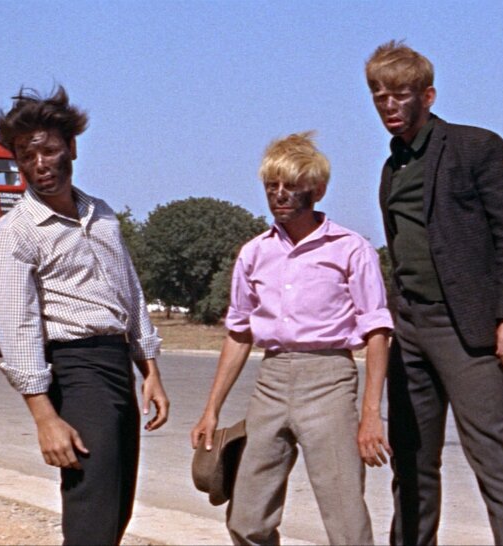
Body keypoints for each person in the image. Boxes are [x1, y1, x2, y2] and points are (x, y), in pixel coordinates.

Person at [365, 41, 503, 545]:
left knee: (493, 456)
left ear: (428, 95)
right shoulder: (393, 167)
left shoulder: (476, 147)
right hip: (409, 327)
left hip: (466, 326)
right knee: (411, 458)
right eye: (379, 96)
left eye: (400, 95)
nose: (389, 106)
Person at [0, 86, 170, 545]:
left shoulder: (101, 215)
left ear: (71, 147)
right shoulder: (13, 234)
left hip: (116, 366)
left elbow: (129, 292)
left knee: (117, 510)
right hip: (75, 371)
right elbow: (18, 332)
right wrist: (45, 419)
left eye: (49, 150)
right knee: (92, 516)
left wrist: (149, 370)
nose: (40, 164)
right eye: (26, 156)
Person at [190, 132, 393, 545]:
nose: (279, 195)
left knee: (345, 518)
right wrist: (211, 409)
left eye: (291, 185)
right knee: (246, 519)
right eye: (271, 186)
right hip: (272, 380)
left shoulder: (351, 249)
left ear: (317, 189)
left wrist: (371, 413)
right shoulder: (254, 253)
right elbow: (238, 333)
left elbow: (377, 331)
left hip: (329, 380)